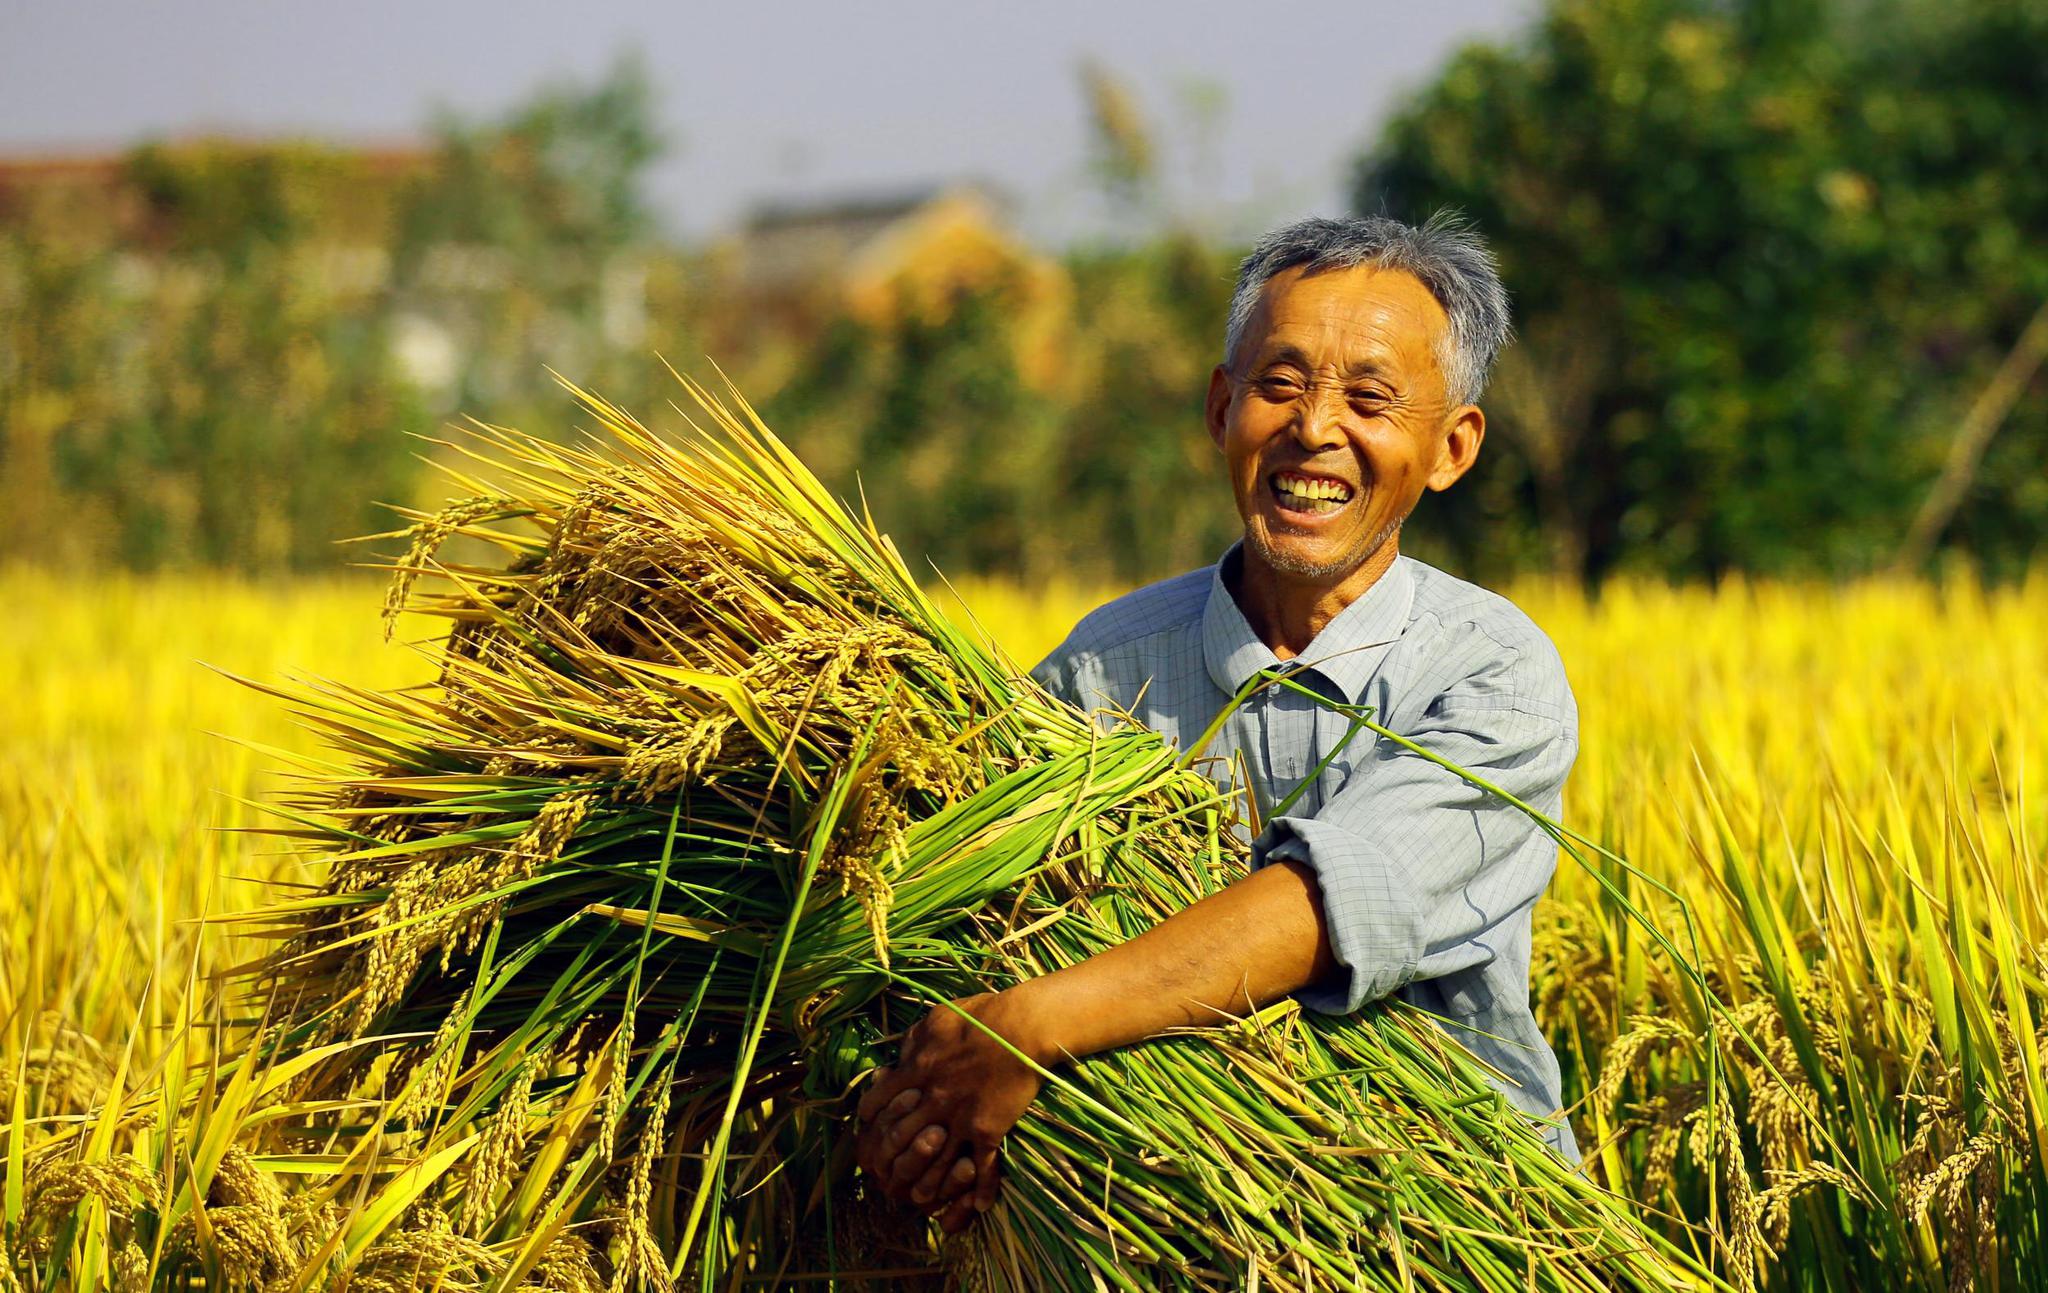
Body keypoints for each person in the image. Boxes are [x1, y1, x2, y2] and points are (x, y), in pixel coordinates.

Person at [856, 213, 1582, 1234]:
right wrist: (929, 1124)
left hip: (1454, 1215)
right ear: (1219, 405)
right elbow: (981, 930)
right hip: (1153, 1219)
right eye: (1278, 384)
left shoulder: (1490, 676)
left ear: (1450, 447)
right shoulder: (1096, 671)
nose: (1314, 428)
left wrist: (1025, 1030)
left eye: (1368, 398)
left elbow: (1326, 913)